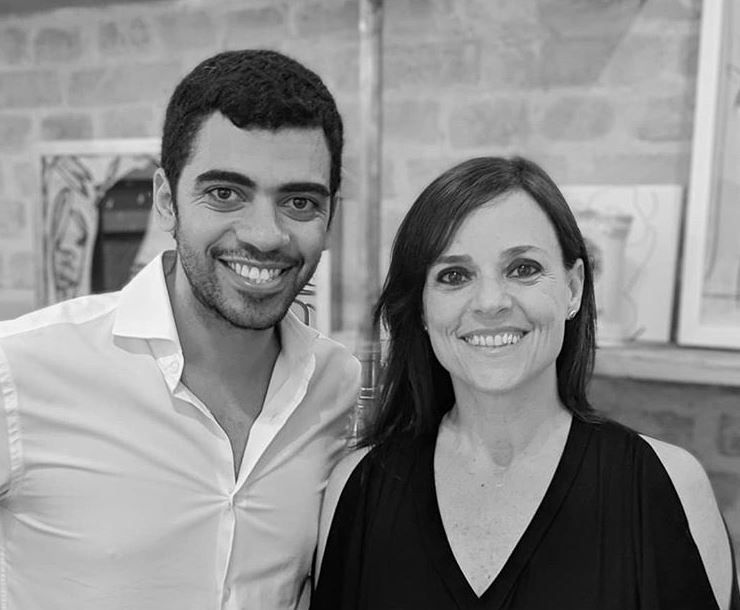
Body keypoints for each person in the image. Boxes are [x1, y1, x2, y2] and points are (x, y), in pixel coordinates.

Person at [0, 49, 360, 610]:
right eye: (225, 194)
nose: (265, 235)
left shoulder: (334, 385)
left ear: (330, 215)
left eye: (298, 201)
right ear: (167, 200)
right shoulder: (20, 370)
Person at [312, 156, 740, 609]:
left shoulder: (666, 487)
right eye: (454, 276)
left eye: (523, 268)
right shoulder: (360, 488)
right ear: (421, 308)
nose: (490, 302)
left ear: (573, 289)